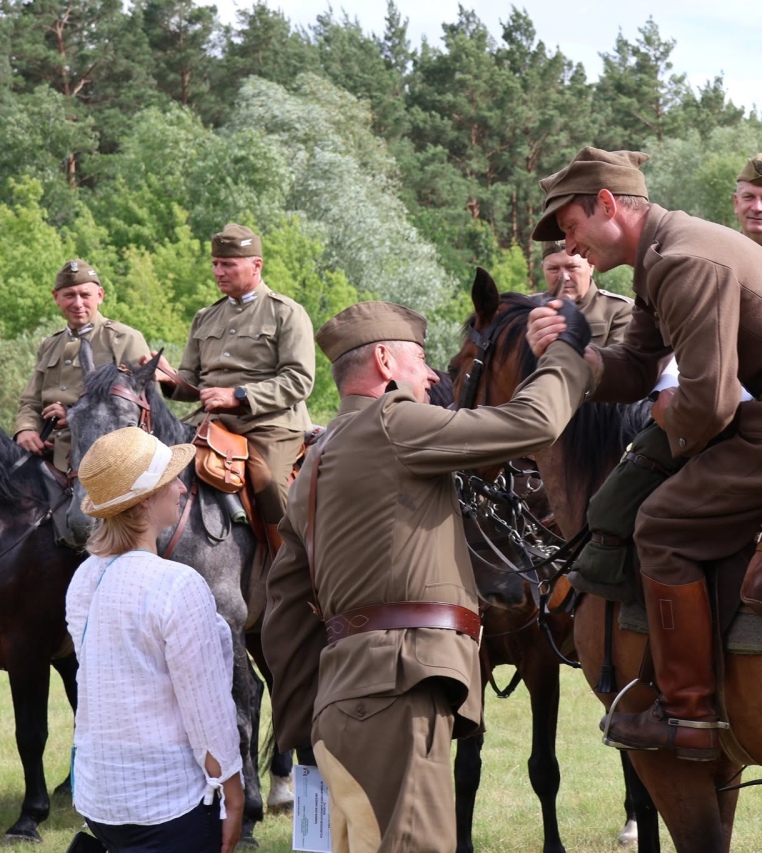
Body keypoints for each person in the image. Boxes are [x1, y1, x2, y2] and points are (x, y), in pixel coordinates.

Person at [526, 147, 762, 760]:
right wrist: (575, 351)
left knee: (663, 525)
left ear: (609, 206)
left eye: (571, 227)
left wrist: (667, 413)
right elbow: (638, 367)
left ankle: (688, 711)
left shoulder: (681, 260)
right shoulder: (663, 254)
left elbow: (707, 406)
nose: (572, 248)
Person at [262, 300, 597, 852]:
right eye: (420, 360)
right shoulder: (395, 421)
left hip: (339, 708)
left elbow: (285, 618)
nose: (434, 374)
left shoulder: (313, 465)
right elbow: (533, 423)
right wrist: (566, 351)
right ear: (385, 362)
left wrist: (308, 728)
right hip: (401, 692)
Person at [66, 426, 244, 853]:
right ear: (145, 499)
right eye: (171, 479)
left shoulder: (83, 577)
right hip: (167, 805)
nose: (183, 487)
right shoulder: (177, 584)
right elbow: (207, 712)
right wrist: (234, 795)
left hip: (100, 800)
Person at [154, 223, 315, 548]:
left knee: (269, 484)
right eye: (215, 263)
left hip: (269, 426)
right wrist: (166, 379)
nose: (218, 271)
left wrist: (238, 396)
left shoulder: (286, 313)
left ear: (256, 265)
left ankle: (295, 564)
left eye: (228, 264)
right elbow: (193, 384)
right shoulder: (205, 317)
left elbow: (299, 381)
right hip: (213, 426)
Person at [14, 260, 149, 473]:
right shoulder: (49, 345)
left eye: (85, 295)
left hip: (100, 460)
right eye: (69, 295)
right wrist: (26, 429)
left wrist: (75, 415)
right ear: (56, 297)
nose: (78, 303)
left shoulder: (124, 339)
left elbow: (143, 409)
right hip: (46, 458)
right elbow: (30, 401)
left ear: (100, 296)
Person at [540, 240, 633, 345]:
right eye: (554, 269)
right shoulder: (529, 308)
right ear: (543, 269)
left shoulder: (619, 310)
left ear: (591, 266)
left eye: (572, 267)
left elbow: (621, 358)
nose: (564, 277)